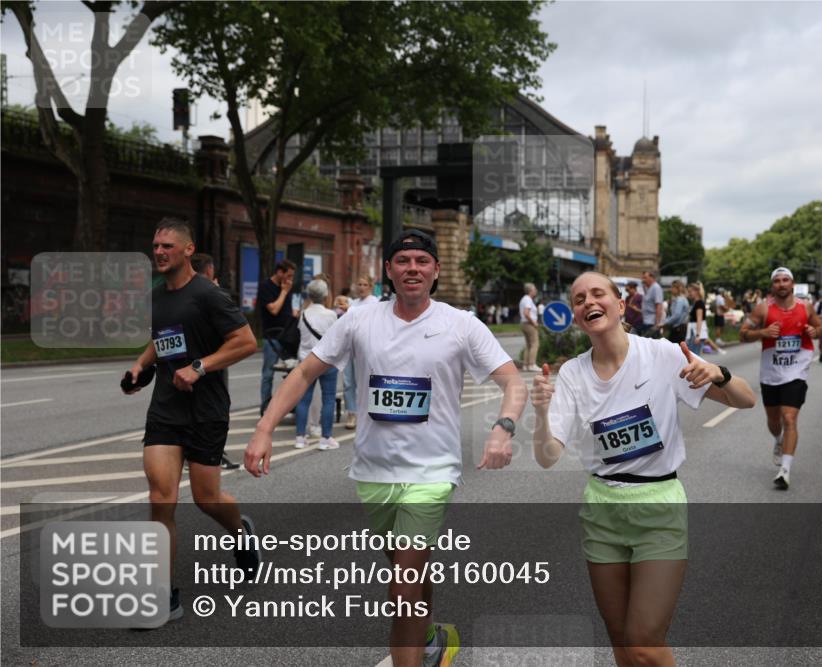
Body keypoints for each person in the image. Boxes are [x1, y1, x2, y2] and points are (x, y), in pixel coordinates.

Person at [245, 229, 527, 667]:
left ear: (435, 271)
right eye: (403, 261)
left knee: (401, 588)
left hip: (432, 472)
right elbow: (304, 373)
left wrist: (503, 428)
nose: (413, 268)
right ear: (389, 271)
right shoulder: (359, 320)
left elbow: (513, 381)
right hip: (373, 472)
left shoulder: (461, 324)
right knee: (407, 571)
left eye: (422, 261)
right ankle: (430, 636)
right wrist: (264, 428)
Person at [531, 271, 754, 666]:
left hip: (658, 507)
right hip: (602, 511)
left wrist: (720, 374)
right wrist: (541, 413)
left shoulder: (662, 355)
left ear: (620, 305)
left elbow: (746, 400)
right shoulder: (572, 374)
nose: (588, 302)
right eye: (579, 299)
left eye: (597, 294)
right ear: (576, 316)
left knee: (643, 643)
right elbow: (548, 456)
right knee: (621, 641)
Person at [124, 219, 260, 622]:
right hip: (166, 409)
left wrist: (200, 366)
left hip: (206, 411)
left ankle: (241, 532)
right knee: (160, 498)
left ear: (187, 249)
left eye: (167, 245)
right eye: (155, 245)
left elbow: (246, 342)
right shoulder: (156, 296)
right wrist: (140, 364)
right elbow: (163, 338)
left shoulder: (209, 295)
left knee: (206, 498)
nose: (159, 252)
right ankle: (162, 594)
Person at [739, 268, 822, 490]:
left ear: (792, 283)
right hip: (771, 372)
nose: (781, 284)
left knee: (789, 418)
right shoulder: (763, 308)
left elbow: (820, 327)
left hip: (796, 371)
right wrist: (762, 333)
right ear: (772, 285)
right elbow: (743, 333)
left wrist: (815, 332)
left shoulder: (806, 307)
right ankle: (778, 440)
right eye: (777, 281)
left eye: (785, 280)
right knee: (774, 421)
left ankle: (785, 470)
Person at [190, 253, 241, 470]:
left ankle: (191, 452)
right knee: (216, 410)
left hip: (187, 362)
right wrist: (219, 292)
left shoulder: (181, 293)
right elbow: (236, 330)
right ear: (210, 270)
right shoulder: (214, 295)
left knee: (190, 408)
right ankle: (216, 454)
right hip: (213, 360)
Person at [293, 279, 340, 451]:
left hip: (306, 360)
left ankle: (300, 437)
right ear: (325, 295)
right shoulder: (331, 315)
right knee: (328, 399)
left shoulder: (303, 314)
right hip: (327, 361)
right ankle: (326, 438)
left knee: (303, 399)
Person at [258, 259, 298, 414]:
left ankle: (288, 404)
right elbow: (273, 309)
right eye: (288, 275)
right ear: (280, 272)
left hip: (288, 337)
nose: (290, 279)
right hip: (272, 336)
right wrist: (284, 292)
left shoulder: (287, 287)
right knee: (268, 373)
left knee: (292, 372)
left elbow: (288, 310)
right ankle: (265, 407)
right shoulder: (266, 287)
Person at [342, 275, 380, 430]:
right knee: (348, 382)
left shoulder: (374, 302)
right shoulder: (353, 303)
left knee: (363, 381)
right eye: (359, 284)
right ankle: (352, 413)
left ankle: (364, 413)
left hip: (364, 348)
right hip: (349, 346)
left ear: (370, 286)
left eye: (365, 284)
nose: (362, 287)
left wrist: (348, 309)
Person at [520, 282, 542, 372]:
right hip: (529, 324)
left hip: (523, 324)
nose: (536, 290)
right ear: (530, 290)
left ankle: (526, 365)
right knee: (535, 344)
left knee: (528, 345)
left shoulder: (524, 299)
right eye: (534, 289)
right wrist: (534, 323)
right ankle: (532, 364)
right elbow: (526, 313)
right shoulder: (528, 300)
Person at [638, 271, 664, 338]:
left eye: (645, 278)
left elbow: (659, 306)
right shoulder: (648, 288)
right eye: (642, 278)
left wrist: (657, 324)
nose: (643, 280)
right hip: (646, 321)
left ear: (652, 278)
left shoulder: (656, 288)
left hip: (652, 323)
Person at [685, 282, 707, 355]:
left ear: (697, 291)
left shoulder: (699, 303)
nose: (689, 294)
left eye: (690, 291)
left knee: (694, 356)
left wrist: (698, 335)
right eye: (688, 292)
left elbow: (699, 319)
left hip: (695, 333)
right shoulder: (695, 303)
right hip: (692, 332)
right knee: (692, 355)